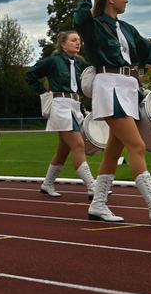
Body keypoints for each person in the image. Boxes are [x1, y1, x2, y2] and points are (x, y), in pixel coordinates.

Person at [73, 0, 151, 225]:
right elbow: (79, 18)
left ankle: (98, 205)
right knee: (137, 146)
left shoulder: (127, 29)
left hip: (129, 88)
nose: (127, 0)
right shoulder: (93, 25)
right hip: (110, 86)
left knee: (113, 152)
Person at [25, 30, 97, 198]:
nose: (78, 43)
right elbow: (30, 75)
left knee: (64, 150)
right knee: (79, 145)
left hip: (75, 105)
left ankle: (47, 184)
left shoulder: (80, 62)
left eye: (79, 40)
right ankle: (94, 188)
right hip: (60, 105)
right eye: (73, 40)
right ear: (63, 45)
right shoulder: (53, 61)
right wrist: (44, 92)